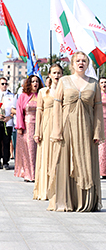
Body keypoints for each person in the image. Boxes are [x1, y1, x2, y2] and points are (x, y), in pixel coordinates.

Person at [48, 51, 104, 212]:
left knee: (86, 161)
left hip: (87, 129)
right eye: (78, 60)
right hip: (67, 128)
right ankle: (66, 200)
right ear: (72, 64)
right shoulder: (64, 81)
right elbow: (57, 107)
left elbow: (98, 109)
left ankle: (85, 200)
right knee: (65, 162)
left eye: (84, 61)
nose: (81, 63)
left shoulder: (94, 83)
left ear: (87, 64)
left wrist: (97, 132)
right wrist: (57, 130)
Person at [33, 64, 63, 200]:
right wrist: (37, 132)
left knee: (59, 158)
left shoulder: (65, 91)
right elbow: (39, 113)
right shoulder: (43, 92)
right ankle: (45, 190)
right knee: (46, 157)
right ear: (49, 75)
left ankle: (58, 190)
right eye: (54, 73)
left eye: (59, 73)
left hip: (61, 127)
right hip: (46, 127)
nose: (57, 75)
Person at [14, 74, 42, 181]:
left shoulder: (42, 95)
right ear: (29, 83)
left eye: (37, 81)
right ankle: (29, 174)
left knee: (39, 150)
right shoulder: (23, 96)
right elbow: (19, 111)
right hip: (27, 126)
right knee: (29, 150)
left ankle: (39, 174)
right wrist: (20, 126)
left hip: (40, 125)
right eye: (33, 81)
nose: (35, 83)